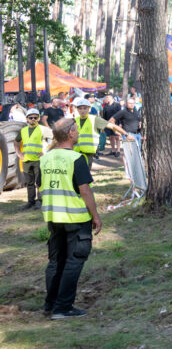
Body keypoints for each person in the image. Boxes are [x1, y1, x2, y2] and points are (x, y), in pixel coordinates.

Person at [41, 117, 101, 319]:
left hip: (53, 217)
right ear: (70, 134)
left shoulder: (45, 158)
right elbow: (85, 190)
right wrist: (96, 216)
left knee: (56, 261)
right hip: (75, 218)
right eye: (76, 129)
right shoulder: (76, 159)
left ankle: (50, 304)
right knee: (74, 261)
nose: (78, 132)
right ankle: (63, 307)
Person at [70, 97, 127, 168]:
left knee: (84, 175)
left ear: (89, 109)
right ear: (77, 109)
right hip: (75, 153)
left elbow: (112, 126)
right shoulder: (74, 121)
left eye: (85, 108)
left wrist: (126, 134)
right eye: (80, 108)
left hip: (88, 153)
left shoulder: (95, 120)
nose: (82, 110)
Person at [15, 108, 49, 210]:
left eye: (35, 117)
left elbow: (56, 138)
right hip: (26, 160)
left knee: (39, 182)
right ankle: (30, 201)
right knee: (29, 183)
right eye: (31, 117)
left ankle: (40, 201)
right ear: (27, 119)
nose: (33, 119)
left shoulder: (42, 129)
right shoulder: (23, 130)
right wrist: (19, 153)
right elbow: (16, 142)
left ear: (38, 118)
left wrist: (46, 150)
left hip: (38, 160)